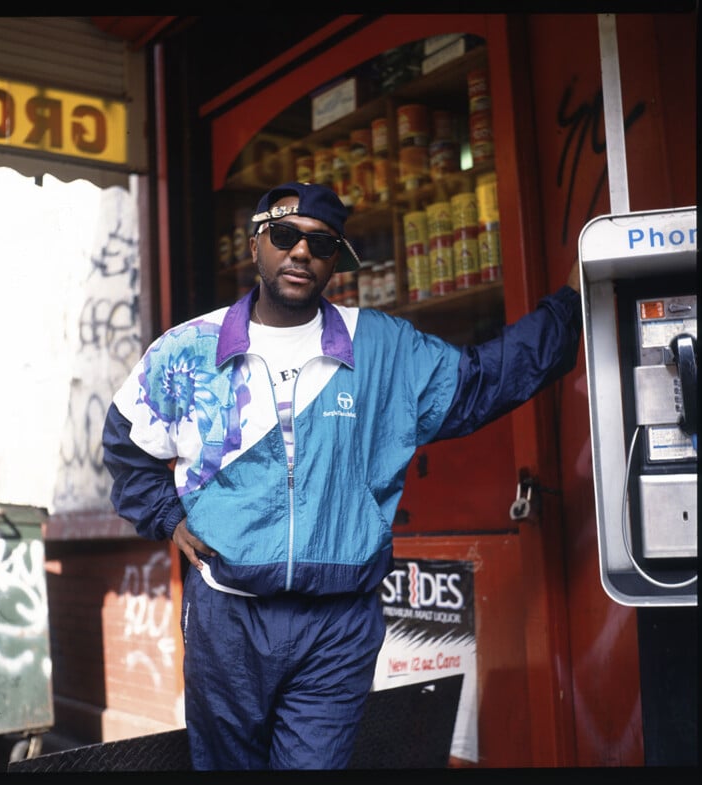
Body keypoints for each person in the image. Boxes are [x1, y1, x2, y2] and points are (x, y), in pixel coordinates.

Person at [102, 181, 582, 770]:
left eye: (321, 244)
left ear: (336, 260)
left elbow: (483, 380)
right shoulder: (188, 350)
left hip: (337, 623)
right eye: (284, 236)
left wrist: (571, 309)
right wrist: (166, 517)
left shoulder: (380, 346)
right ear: (256, 246)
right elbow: (127, 442)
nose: (301, 253)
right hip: (228, 619)